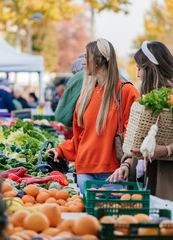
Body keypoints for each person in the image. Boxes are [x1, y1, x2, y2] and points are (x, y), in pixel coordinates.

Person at [107, 41, 173, 240]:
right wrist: (128, 163)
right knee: (158, 231)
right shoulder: (152, 97)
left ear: (152, 69)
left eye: (140, 69)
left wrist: (165, 149)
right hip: (156, 179)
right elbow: (141, 139)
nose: (138, 74)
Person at [47, 38, 139, 193]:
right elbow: (80, 136)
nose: (82, 63)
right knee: (88, 216)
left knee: (111, 216)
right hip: (85, 171)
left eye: (86, 58)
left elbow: (134, 134)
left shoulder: (125, 91)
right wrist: (60, 150)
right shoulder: (86, 94)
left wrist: (127, 164)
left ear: (99, 60)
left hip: (114, 172)